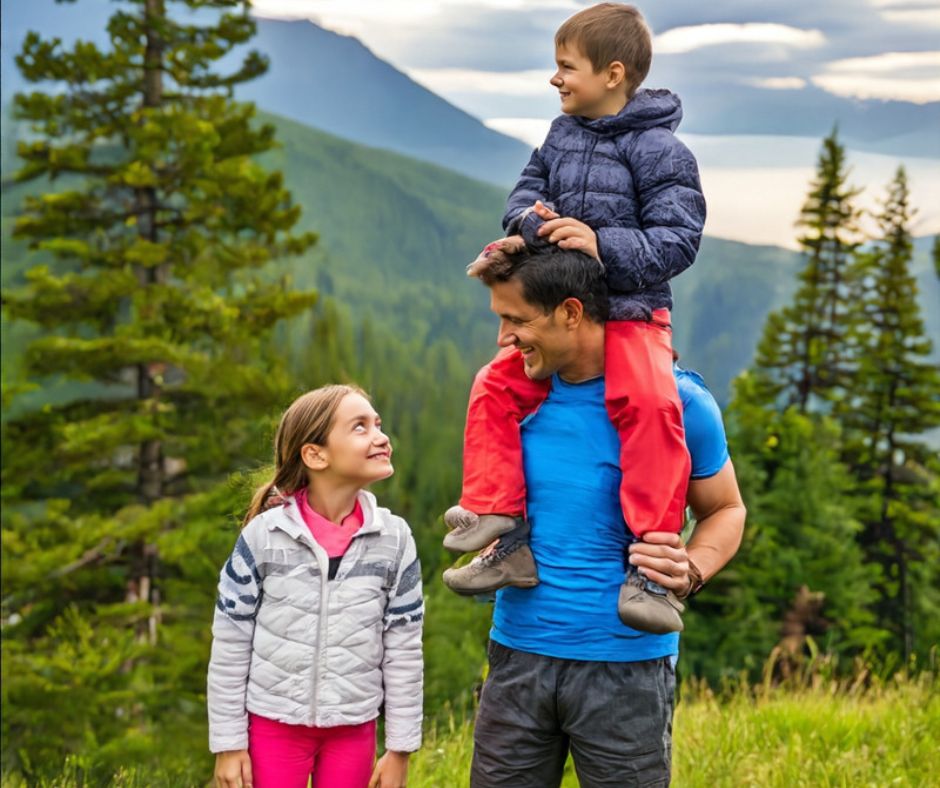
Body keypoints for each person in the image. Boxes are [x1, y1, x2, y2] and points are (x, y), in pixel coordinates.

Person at [443, 3, 706, 635]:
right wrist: (533, 227)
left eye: (567, 68)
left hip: (634, 313)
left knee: (649, 404)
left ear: (613, 73)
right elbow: (522, 200)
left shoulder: (662, 150)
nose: (555, 80)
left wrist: (600, 244)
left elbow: (679, 241)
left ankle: (650, 564)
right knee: (494, 386)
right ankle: (503, 532)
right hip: (563, 316)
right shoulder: (560, 137)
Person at [451, 245, 744, 786]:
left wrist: (692, 569)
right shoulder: (514, 401)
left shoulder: (678, 403)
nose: (503, 338)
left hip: (628, 667)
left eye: (517, 320)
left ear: (571, 312)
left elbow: (726, 509)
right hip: (516, 657)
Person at [207, 384, 423, 788]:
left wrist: (399, 750)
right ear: (315, 454)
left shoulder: (395, 540)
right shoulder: (264, 536)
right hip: (273, 727)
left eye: (377, 423)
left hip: (354, 730)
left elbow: (405, 649)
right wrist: (228, 743)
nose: (381, 435)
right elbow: (230, 642)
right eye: (360, 427)